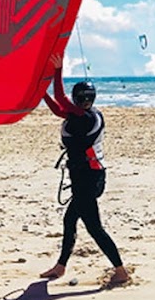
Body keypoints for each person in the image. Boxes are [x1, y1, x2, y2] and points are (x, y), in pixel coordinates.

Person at [39, 55, 129, 286]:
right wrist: (40, 93)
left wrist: (57, 71)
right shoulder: (85, 114)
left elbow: (60, 100)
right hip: (87, 176)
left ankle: (120, 271)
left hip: (89, 178)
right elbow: (59, 110)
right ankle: (60, 267)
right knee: (70, 220)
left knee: (94, 228)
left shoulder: (85, 116)